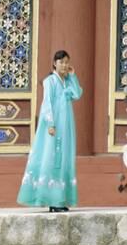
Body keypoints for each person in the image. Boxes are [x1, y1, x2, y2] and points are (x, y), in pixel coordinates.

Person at [16, 50, 83, 213]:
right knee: (52, 158)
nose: (64, 65)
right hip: (53, 126)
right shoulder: (50, 81)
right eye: (61, 62)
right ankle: (52, 200)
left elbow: (78, 94)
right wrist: (51, 124)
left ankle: (60, 200)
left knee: (64, 158)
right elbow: (47, 104)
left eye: (67, 62)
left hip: (67, 126)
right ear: (54, 63)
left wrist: (73, 76)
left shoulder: (67, 81)